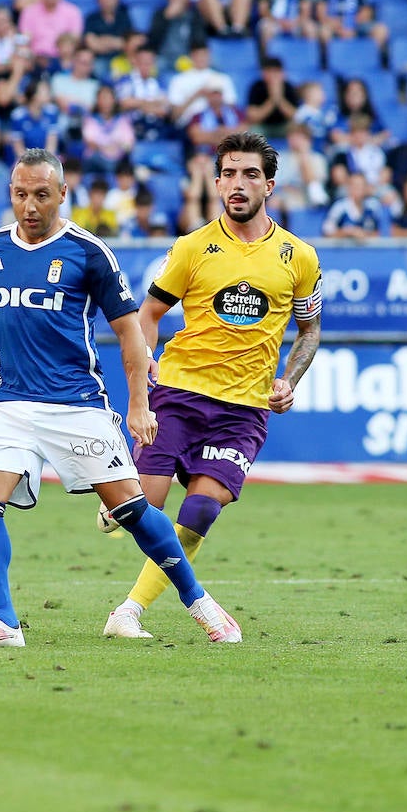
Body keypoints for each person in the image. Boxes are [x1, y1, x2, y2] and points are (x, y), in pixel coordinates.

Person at [0, 148, 241, 649]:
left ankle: (198, 600)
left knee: (129, 510)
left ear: (63, 194)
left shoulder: (89, 252)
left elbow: (131, 334)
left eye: (42, 195)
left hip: (77, 403)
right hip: (9, 403)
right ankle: (2, 623)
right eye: (20, 195)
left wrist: (139, 404)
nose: (30, 206)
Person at [101, 131, 322, 641]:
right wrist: (148, 364)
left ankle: (129, 611)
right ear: (216, 182)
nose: (237, 184)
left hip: (243, 409)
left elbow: (309, 330)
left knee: (200, 510)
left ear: (269, 184)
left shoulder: (299, 257)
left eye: (249, 175)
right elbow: (149, 314)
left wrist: (289, 379)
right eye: (228, 174)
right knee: (145, 510)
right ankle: (118, 499)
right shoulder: (193, 247)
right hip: (178, 393)